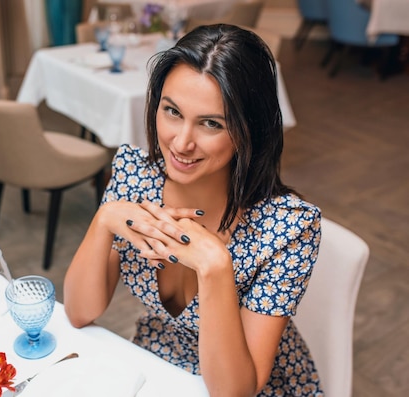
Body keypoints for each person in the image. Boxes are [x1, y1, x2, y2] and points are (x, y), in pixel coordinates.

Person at [63, 24, 323, 396]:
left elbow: (235, 391)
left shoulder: (288, 229)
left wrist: (216, 267)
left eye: (211, 123)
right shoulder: (135, 177)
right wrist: (104, 220)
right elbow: (78, 312)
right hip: (158, 364)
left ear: (250, 130)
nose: (181, 142)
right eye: (172, 111)